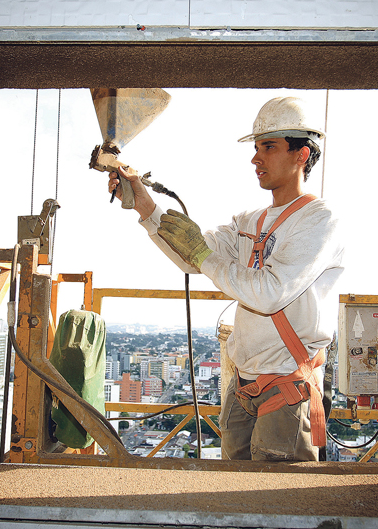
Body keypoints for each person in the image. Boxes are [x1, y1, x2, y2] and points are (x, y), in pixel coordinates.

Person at [107, 97, 344, 461]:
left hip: (287, 389)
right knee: (235, 497)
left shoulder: (319, 221)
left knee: (276, 504)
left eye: (268, 147)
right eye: (256, 148)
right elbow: (193, 257)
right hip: (242, 387)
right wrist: (145, 207)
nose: (256, 158)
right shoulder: (249, 221)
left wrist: (202, 255)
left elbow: (269, 293)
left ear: (302, 154)